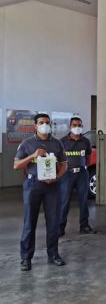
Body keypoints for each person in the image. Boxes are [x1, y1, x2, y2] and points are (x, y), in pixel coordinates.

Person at [14, 113, 68, 271]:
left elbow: (64, 164)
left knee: (53, 222)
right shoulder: (27, 143)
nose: (45, 125)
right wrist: (32, 156)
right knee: (29, 222)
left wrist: (57, 177)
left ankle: (53, 254)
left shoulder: (57, 143)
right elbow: (16, 165)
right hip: (33, 185)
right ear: (35, 126)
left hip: (52, 186)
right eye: (41, 122)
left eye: (47, 122)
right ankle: (26, 258)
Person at [58, 117, 96, 237]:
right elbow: (58, 159)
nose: (77, 127)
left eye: (79, 125)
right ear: (70, 126)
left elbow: (88, 158)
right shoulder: (62, 141)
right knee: (64, 201)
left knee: (84, 201)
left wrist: (83, 167)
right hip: (67, 174)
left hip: (82, 174)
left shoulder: (85, 141)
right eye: (74, 125)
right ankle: (60, 228)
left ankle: (84, 226)